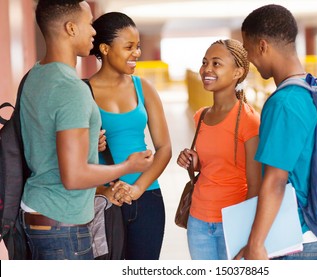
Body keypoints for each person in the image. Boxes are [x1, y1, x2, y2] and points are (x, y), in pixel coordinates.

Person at [19, 0, 153, 260]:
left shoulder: (36, 74)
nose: (94, 31)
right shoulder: (72, 89)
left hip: (37, 212)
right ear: (70, 28)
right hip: (62, 224)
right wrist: (128, 167)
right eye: (88, 24)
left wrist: (91, 142)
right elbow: (74, 176)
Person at [236, 4, 317, 260]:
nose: (249, 60)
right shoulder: (314, 89)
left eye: (248, 50)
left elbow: (275, 180)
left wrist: (256, 244)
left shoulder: (283, 102)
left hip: (299, 238)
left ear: (262, 46)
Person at [89, 12, 172, 260]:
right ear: (105, 48)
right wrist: (90, 146)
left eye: (137, 47)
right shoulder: (83, 92)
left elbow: (164, 147)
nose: (136, 53)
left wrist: (137, 188)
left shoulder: (143, 87)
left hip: (147, 197)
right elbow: (70, 153)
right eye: (129, 47)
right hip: (102, 198)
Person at [176, 39, 261, 260]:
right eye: (205, 63)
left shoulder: (249, 120)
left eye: (216, 63)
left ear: (237, 72)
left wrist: (249, 232)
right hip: (198, 220)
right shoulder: (201, 115)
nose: (207, 69)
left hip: (233, 223)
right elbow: (209, 165)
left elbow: (255, 183)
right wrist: (192, 162)